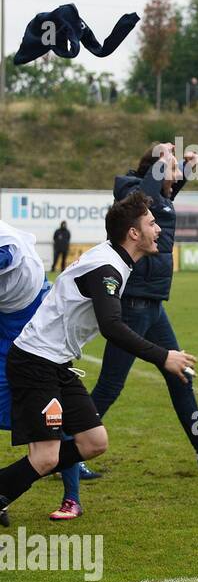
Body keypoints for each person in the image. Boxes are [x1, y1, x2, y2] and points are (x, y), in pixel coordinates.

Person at [0, 192, 196, 526]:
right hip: (35, 363)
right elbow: (112, 327)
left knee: (94, 442)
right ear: (133, 233)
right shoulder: (106, 268)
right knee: (45, 458)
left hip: (55, 362)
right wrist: (163, 356)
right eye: (151, 223)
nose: (158, 229)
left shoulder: (113, 260)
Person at [87, 145, 198, 472]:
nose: (174, 183)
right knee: (110, 385)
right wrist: (164, 159)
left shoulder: (156, 198)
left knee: (181, 375)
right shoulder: (136, 199)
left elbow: (161, 191)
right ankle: (66, 449)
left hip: (153, 305)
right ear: (156, 171)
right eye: (170, 174)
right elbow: (146, 194)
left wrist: (186, 167)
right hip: (134, 304)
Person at [0, 219, 83, 519]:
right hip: (6, 322)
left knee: (55, 417)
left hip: (33, 328)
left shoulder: (7, 244)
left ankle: (71, 497)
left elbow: (6, 253)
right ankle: (5, 490)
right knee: (21, 417)